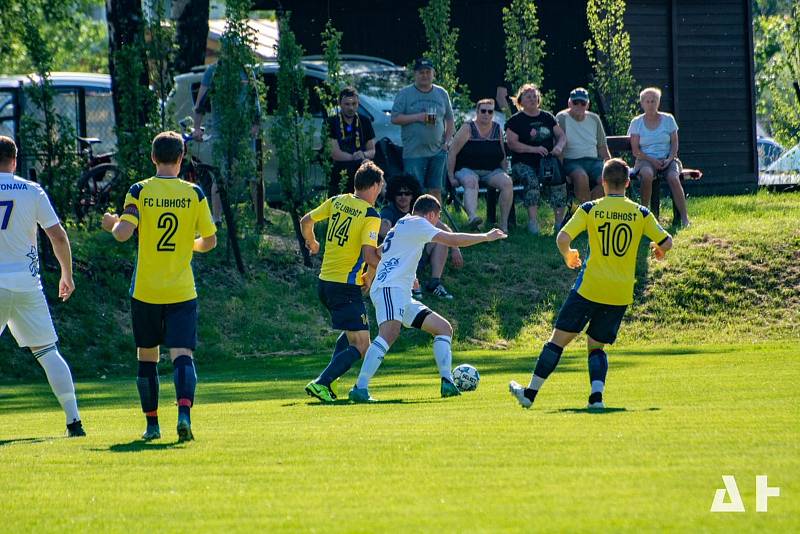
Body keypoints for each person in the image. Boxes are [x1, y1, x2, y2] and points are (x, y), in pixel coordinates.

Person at [509, 158, 673, 410]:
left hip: (590, 287)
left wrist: (569, 254)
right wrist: (658, 250)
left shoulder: (590, 208)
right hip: (619, 292)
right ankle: (596, 398)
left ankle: (530, 394)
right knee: (596, 345)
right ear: (628, 183)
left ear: (602, 182)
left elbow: (562, 237)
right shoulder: (641, 212)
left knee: (557, 341)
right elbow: (667, 241)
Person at [102, 131, 217, 442]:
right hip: (181, 290)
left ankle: (152, 425)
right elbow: (210, 240)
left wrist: (111, 222)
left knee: (147, 356)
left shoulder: (139, 191)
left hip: (146, 291)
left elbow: (124, 233)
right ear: (181, 159)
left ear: (153, 158)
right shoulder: (194, 193)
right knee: (182, 354)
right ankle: (183, 415)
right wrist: (189, 245)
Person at [349, 194, 507, 402]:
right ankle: (360, 388)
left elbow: (380, 253)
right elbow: (452, 240)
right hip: (390, 288)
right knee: (390, 332)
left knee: (443, 329)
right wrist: (486, 236)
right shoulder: (418, 223)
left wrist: (391, 275)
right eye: (438, 218)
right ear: (431, 214)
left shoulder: (402, 224)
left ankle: (447, 383)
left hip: (400, 292)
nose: (436, 223)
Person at [0, 136, 85, 437]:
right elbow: (58, 236)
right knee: (48, 352)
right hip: (26, 284)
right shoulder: (30, 190)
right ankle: (74, 422)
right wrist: (67, 274)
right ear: (15, 159)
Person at [301, 160, 384, 403]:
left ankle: (326, 380)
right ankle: (322, 382)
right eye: (380, 187)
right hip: (345, 287)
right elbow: (370, 255)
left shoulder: (337, 201)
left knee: (352, 335)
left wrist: (312, 242)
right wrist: (387, 265)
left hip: (325, 284)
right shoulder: (370, 214)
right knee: (362, 345)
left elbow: (306, 221)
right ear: (375, 186)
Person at [191, 61, 262, 224]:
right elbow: (201, 102)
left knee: (254, 176)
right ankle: (217, 218)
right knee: (220, 175)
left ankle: (259, 219)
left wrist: (255, 125)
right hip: (220, 131)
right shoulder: (213, 71)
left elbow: (255, 101)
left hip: (244, 133)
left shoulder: (246, 69)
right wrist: (196, 127)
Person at [380, 173, 464, 300]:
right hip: (400, 261)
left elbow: (443, 228)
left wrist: (455, 248)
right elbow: (383, 229)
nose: (403, 196)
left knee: (441, 239)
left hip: (418, 255)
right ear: (393, 194)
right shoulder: (389, 211)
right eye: (399, 193)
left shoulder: (419, 211)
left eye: (407, 193)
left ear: (413, 194)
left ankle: (435, 283)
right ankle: (410, 283)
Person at [505, 84, 568, 235]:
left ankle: (559, 223)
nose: (532, 99)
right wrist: (534, 149)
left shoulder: (547, 117)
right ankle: (533, 223)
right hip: (523, 162)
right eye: (528, 97)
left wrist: (559, 146)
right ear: (521, 101)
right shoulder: (515, 121)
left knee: (559, 181)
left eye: (535, 96)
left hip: (547, 161)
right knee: (531, 180)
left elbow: (561, 136)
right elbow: (512, 144)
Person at [391, 58, 455, 203]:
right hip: (414, 152)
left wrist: (447, 141)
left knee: (436, 189)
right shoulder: (405, 93)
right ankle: (414, 221)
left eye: (428, 72)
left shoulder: (441, 93)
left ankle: (434, 221)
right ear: (415, 74)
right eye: (421, 72)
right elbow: (394, 118)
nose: (425, 75)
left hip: (438, 151)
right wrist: (418, 117)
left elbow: (450, 119)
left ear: (433, 74)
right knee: (414, 190)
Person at [448, 98, 514, 233]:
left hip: (491, 171)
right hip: (467, 169)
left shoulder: (497, 128)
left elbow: (501, 153)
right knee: (471, 181)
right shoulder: (468, 128)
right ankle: (472, 218)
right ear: (477, 112)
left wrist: (505, 171)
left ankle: (503, 225)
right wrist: (450, 176)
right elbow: (452, 152)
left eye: (490, 111)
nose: (486, 114)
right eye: (483, 111)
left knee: (507, 183)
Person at [628, 87, 690, 226]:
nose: (651, 104)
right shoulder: (636, 122)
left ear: (658, 102)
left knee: (673, 177)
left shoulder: (668, 119)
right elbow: (635, 150)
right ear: (642, 103)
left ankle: (685, 218)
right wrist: (652, 161)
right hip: (645, 159)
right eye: (648, 101)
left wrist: (669, 159)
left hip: (667, 158)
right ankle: (644, 216)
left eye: (653, 101)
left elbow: (674, 143)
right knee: (647, 174)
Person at [556, 88, 611, 203]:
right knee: (581, 177)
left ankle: (589, 209)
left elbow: (602, 146)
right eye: (575, 102)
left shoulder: (594, 118)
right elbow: (559, 147)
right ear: (569, 103)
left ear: (587, 105)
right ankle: (585, 211)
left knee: (607, 180)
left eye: (583, 103)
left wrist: (610, 165)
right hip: (571, 161)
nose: (579, 106)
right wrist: (561, 172)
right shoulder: (562, 118)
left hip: (594, 162)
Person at [327, 86, 377, 196]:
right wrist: (354, 157)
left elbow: (372, 151)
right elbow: (335, 153)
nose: (351, 108)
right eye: (347, 104)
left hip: (361, 170)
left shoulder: (365, 121)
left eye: (354, 104)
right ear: (340, 104)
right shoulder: (331, 122)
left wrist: (363, 154)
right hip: (340, 170)